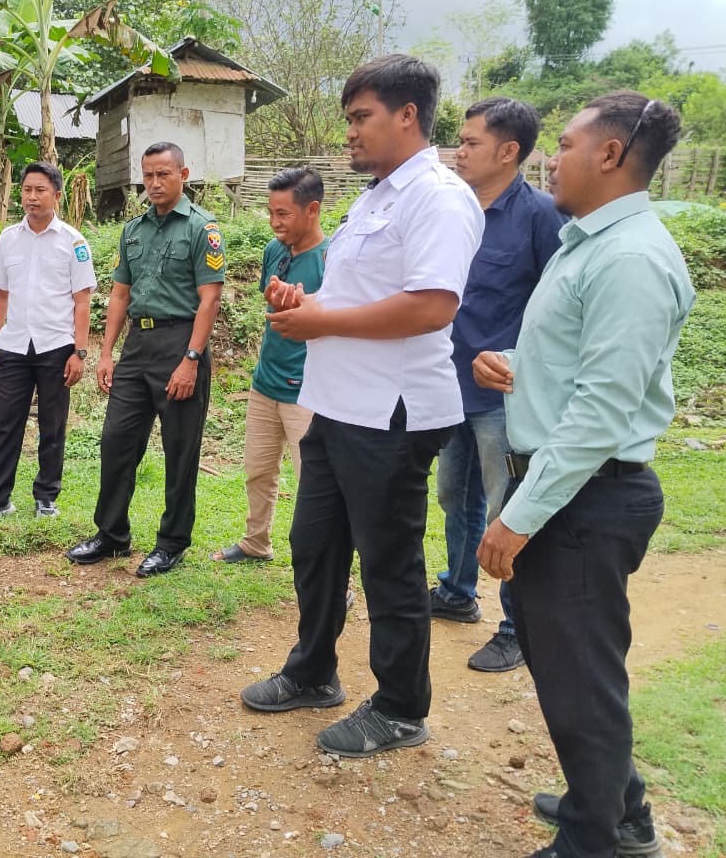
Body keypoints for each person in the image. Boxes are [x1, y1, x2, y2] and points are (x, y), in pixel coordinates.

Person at [238, 54, 483, 759]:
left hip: (392, 414)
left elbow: (432, 305)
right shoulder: (375, 199)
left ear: (407, 115)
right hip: (335, 405)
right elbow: (353, 297)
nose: (349, 131)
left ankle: (401, 708)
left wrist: (322, 321)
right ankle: (312, 671)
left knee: (388, 562)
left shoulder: (437, 197)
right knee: (314, 546)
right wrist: (305, 302)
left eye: (360, 117)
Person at [475, 92, 692, 858]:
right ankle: (617, 809)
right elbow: (582, 363)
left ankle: (595, 840)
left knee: (581, 682)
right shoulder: (591, 245)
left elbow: (601, 413)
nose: (549, 157)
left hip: (585, 496)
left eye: (564, 144)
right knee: (569, 667)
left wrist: (518, 515)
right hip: (569, 490)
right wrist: (516, 365)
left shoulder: (629, 259)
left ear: (609, 154)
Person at [430, 98, 567, 673]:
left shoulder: (540, 217)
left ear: (509, 152)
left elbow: (559, 308)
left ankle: (516, 625)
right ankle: (458, 591)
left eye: (470, 143)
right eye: (459, 141)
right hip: (449, 385)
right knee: (453, 496)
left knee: (508, 506)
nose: (457, 152)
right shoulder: (452, 209)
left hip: (505, 397)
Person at [65, 141, 224, 578]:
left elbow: (209, 299)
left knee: (180, 450)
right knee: (116, 440)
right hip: (137, 347)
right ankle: (112, 534)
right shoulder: (133, 229)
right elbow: (120, 294)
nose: (154, 183)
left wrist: (191, 358)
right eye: (148, 175)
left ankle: (172, 542)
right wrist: (106, 352)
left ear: (183, 175)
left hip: (180, 343)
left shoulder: (201, 228)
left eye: (163, 174)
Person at [0, 162, 97, 524]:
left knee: (52, 426)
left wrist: (79, 352)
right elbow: (0, 292)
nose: (32, 197)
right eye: (27, 190)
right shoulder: (9, 238)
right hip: (16, 347)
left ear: (56, 194)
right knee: (6, 424)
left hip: (57, 347)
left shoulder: (73, 242)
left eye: (40, 190)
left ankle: (46, 497)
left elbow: (82, 301)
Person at [211, 167, 327, 564]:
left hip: (308, 391)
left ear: (312, 210)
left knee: (314, 484)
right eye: (271, 213)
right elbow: (270, 298)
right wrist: (278, 297)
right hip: (265, 382)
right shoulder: (274, 251)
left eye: (283, 214)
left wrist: (306, 307)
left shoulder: (331, 260)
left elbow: (338, 325)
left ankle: (329, 573)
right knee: (258, 470)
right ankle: (256, 542)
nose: (275, 222)